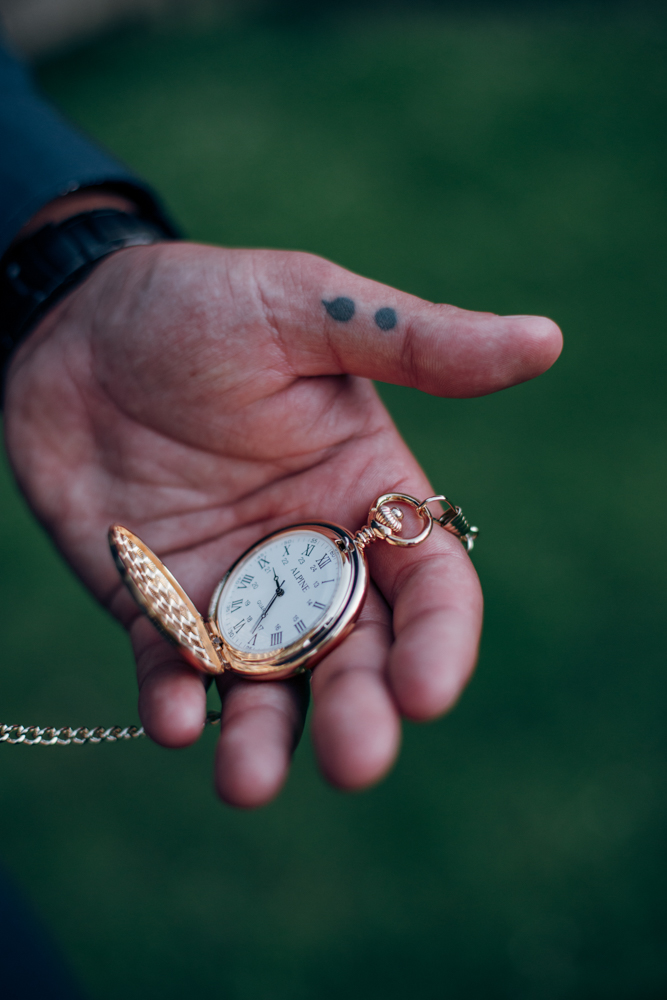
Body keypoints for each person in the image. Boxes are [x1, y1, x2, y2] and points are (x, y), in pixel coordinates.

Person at [0, 34, 562, 813]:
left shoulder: (324, 556)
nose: (273, 596)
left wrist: (62, 266)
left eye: (275, 595)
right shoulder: (329, 559)